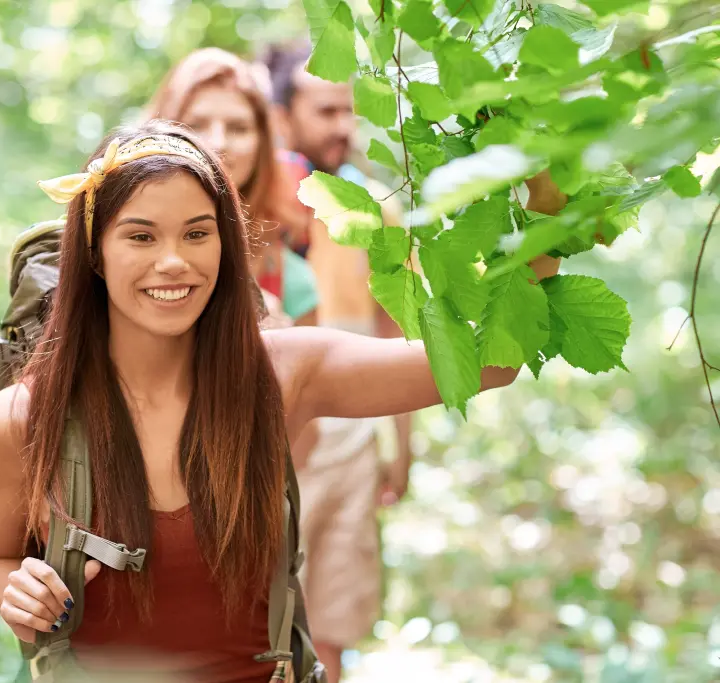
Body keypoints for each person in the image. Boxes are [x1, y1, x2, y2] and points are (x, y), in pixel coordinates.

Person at [0, 120, 563, 683]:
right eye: (141, 236)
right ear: (94, 251)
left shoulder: (282, 374)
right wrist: (16, 593)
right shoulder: (23, 420)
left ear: (226, 246)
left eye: (197, 233)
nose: (173, 261)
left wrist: (549, 192)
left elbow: (490, 361)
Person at [260, 41, 414, 681]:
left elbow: (398, 327)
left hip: (349, 438)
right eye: (325, 109)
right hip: (265, 435)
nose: (342, 126)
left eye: (349, 110)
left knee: (332, 621)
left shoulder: (376, 207)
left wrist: (401, 444)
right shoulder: (253, 206)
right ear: (284, 112)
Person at [145, 47, 318, 327]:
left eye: (238, 128)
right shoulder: (109, 238)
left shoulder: (291, 278)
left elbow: (316, 367)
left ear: (263, 144)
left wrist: (281, 345)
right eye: (196, 124)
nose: (218, 143)